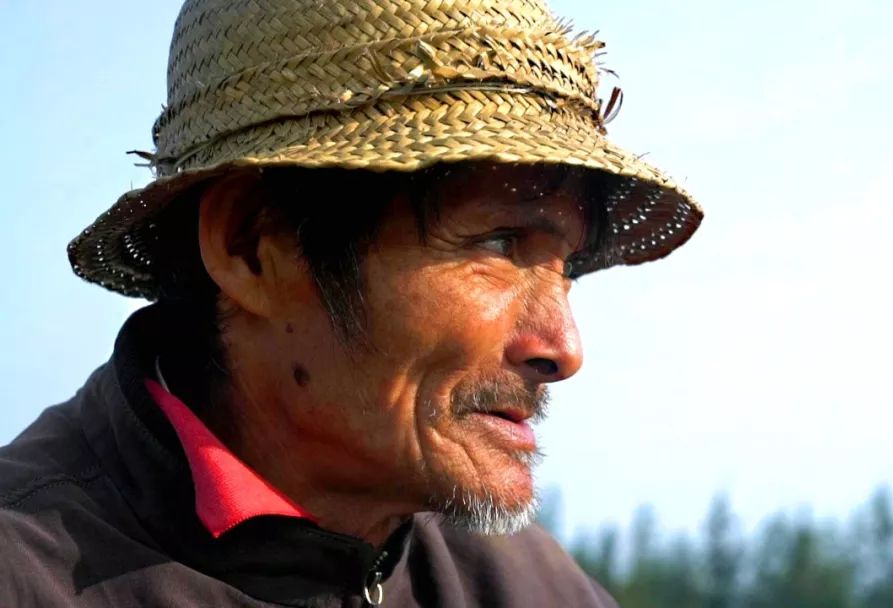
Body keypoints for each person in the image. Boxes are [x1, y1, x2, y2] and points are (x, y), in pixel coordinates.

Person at [0, 0, 702, 606]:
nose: (562, 348)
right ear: (253, 247)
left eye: (567, 266)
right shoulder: (27, 574)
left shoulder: (520, 584)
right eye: (498, 243)